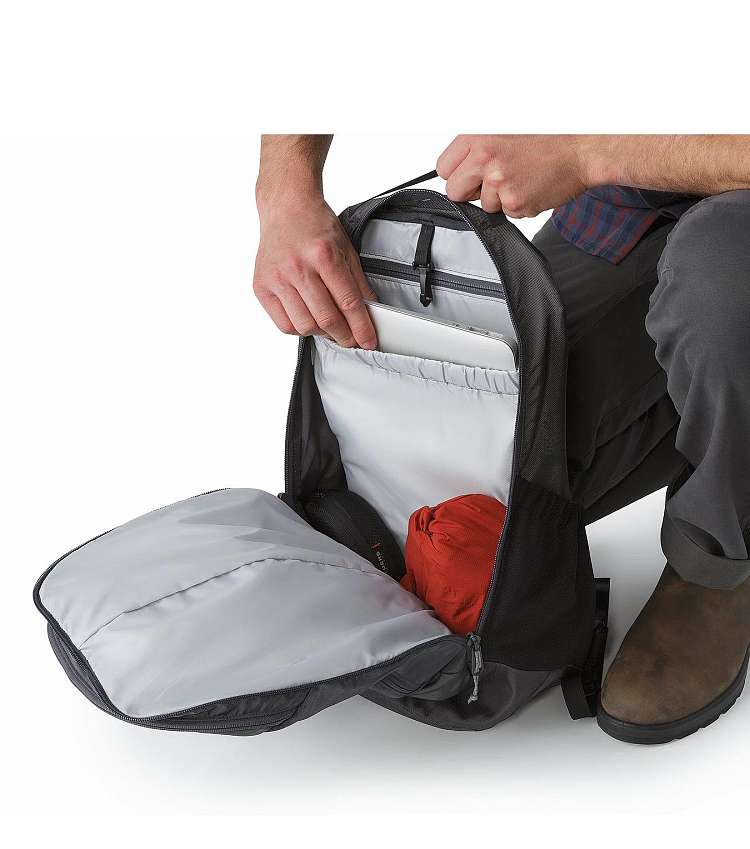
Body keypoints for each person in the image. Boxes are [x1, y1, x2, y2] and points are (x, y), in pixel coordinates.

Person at [253, 134, 750, 743]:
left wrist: (585, 152)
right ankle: (721, 402)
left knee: (720, 279)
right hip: (626, 203)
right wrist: (287, 197)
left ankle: (720, 560)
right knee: (505, 476)